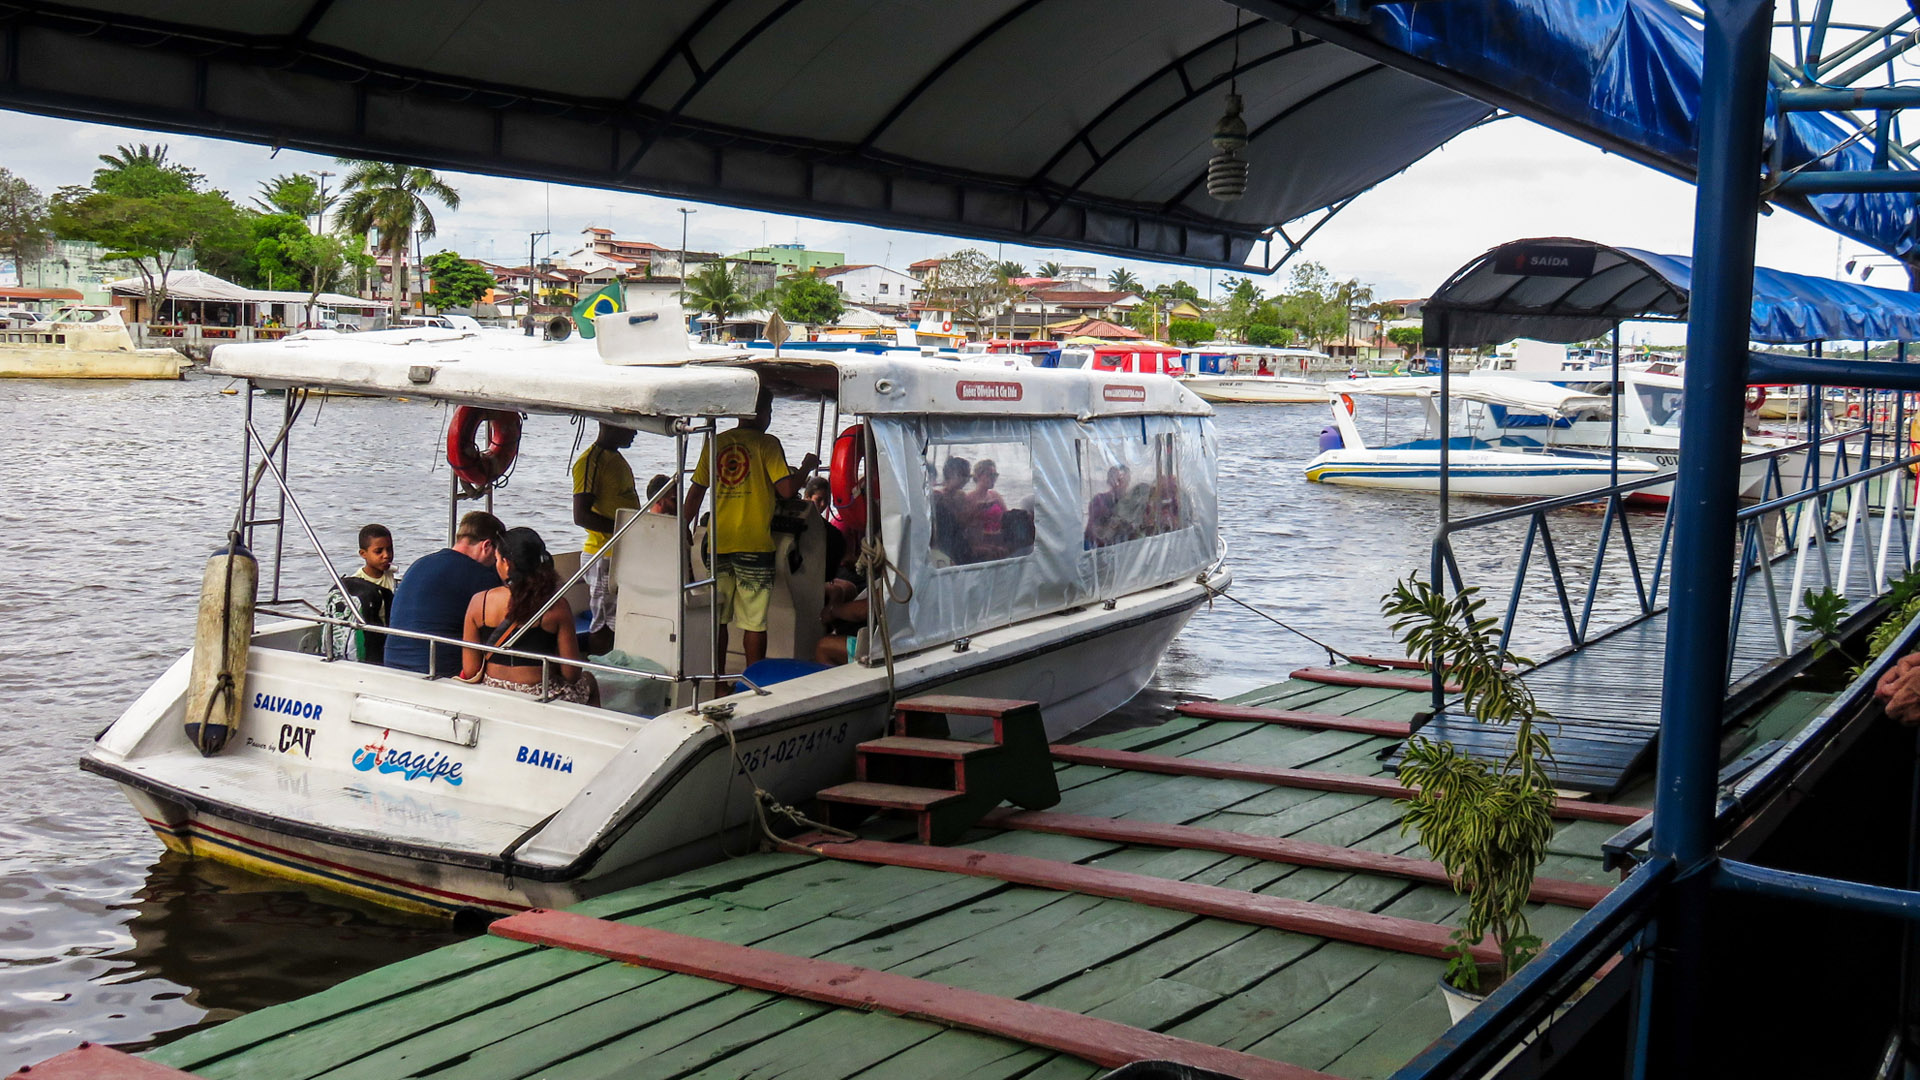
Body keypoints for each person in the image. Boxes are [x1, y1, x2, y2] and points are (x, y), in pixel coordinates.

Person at [684, 388, 819, 669]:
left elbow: (696, 492)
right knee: (754, 623)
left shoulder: (716, 443)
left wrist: (682, 526)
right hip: (755, 546)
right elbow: (786, 490)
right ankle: (751, 683)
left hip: (718, 543)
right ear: (762, 413)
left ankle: (718, 683)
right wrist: (806, 467)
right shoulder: (767, 444)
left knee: (718, 617)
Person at [460, 527, 597, 704]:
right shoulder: (556, 606)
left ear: (507, 563)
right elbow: (571, 674)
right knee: (590, 681)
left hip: (492, 689)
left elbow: (471, 671)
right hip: (539, 694)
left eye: (497, 560)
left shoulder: (479, 602)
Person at [384, 511, 504, 675]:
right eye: (497, 554)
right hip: (437, 670)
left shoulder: (420, 563)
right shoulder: (479, 575)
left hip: (392, 663)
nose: (497, 561)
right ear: (487, 546)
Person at [572, 422, 641, 654]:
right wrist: (625, 529)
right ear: (612, 426)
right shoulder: (591, 462)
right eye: (630, 426)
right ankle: (600, 678)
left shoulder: (617, 460)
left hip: (623, 554)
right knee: (603, 624)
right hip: (604, 554)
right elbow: (581, 515)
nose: (635, 432)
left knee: (619, 622)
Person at [929, 456, 973, 564]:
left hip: (959, 545)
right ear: (952, 474)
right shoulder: (937, 497)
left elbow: (965, 525)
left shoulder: (961, 496)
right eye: (964, 475)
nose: (967, 480)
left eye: (969, 476)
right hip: (943, 548)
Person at [1086, 464, 1131, 548]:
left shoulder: (1131, 503)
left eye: (1121, 480)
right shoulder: (1099, 501)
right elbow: (1092, 534)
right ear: (1109, 481)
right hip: (1102, 551)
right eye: (1116, 480)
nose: (1118, 484)